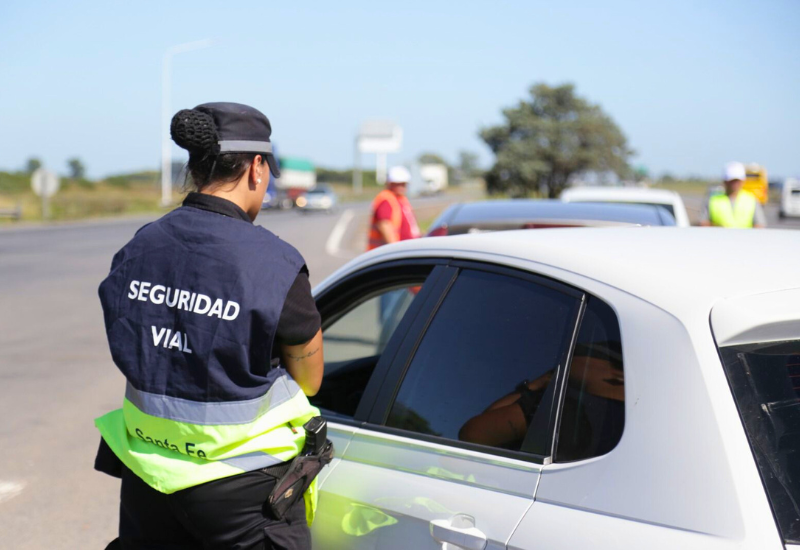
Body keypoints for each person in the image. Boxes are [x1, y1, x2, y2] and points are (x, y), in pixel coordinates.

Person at [94, 102, 324, 549]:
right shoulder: (274, 263)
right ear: (257, 169)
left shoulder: (139, 247)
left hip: (148, 475)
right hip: (242, 492)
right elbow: (310, 382)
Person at [367, 165, 421, 250]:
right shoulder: (386, 200)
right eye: (398, 184)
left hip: (407, 249)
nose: (402, 187)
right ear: (390, 184)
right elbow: (384, 224)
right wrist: (395, 250)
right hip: (391, 253)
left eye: (403, 184)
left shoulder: (401, 199)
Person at [700, 161, 766, 228]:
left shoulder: (751, 199)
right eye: (731, 181)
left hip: (744, 238)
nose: (734, 184)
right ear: (725, 181)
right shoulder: (713, 199)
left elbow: (759, 225)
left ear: (742, 181)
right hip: (719, 237)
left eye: (737, 181)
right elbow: (704, 223)